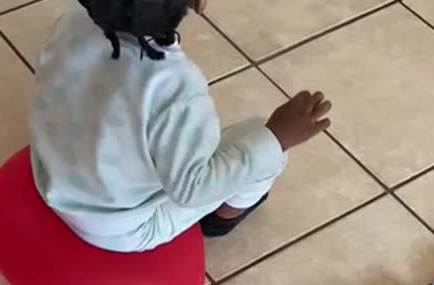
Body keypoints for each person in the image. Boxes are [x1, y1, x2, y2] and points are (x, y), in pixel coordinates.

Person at [28, 0, 332, 252]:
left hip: (50, 177)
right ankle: (221, 219)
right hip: (119, 229)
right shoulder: (174, 89)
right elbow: (192, 188)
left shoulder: (71, 22)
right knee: (264, 143)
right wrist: (278, 136)